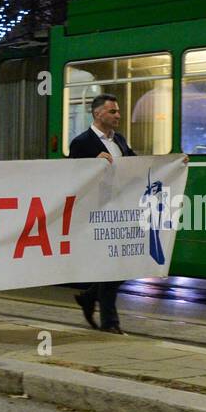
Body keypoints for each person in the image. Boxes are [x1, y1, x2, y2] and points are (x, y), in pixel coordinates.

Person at [69, 93, 133, 335]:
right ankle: (110, 323)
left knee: (126, 264)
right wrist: (92, 163)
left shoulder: (121, 141)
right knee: (112, 266)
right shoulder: (81, 142)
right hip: (97, 213)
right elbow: (72, 176)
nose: (118, 115)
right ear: (98, 114)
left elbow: (136, 165)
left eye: (117, 111)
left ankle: (89, 296)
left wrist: (174, 163)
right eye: (113, 112)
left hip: (121, 210)